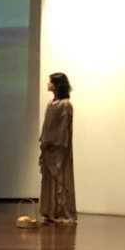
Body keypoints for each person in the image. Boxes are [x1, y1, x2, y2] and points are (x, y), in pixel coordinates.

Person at [39, 72, 77, 224]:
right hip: (48, 147)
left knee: (60, 178)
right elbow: (47, 125)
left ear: (57, 85)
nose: (48, 84)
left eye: (50, 82)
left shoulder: (66, 105)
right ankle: (50, 211)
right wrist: (44, 140)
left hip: (58, 149)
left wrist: (53, 142)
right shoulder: (51, 104)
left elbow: (63, 129)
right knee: (48, 179)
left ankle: (62, 211)